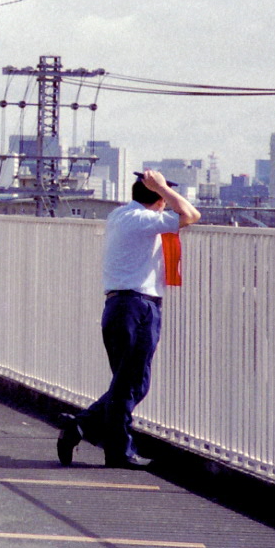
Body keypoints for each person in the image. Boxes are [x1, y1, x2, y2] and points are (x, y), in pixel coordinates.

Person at [57, 169, 200, 469]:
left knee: (128, 383)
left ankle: (82, 428)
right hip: (138, 306)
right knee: (131, 383)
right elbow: (190, 215)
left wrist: (158, 189)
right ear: (158, 198)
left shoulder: (120, 215)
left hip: (121, 305)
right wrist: (162, 188)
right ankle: (116, 450)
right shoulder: (142, 219)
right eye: (163, 196)